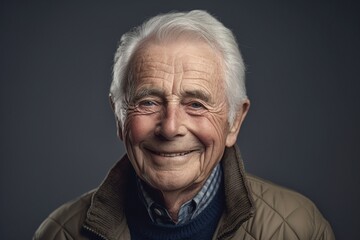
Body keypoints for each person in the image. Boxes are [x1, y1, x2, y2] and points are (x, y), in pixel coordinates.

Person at [34, 10, 335, 240]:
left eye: (196, 104)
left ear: (234, 122)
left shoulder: (299, 227)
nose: (170, 127)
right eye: (149, 102)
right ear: (119, 116)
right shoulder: (60, 232)